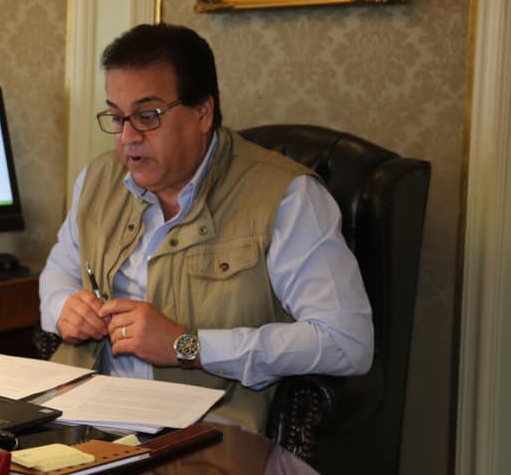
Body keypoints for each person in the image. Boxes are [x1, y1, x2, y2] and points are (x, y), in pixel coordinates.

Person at [39, 22, 373, 432]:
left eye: (146, 116)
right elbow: (58, 272)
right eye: (117, 116)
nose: (127, 138)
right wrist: (64, 307)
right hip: (79, 418)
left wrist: (187, 345)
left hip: (201, 435)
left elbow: (346, 342)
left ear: (202, 113)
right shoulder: (97, 179)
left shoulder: (288, 197)